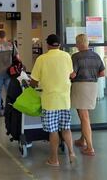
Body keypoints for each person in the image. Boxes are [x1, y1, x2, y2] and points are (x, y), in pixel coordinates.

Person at [30, 34, 76, 167]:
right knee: (66, 128)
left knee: (54, 131)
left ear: (47, 44)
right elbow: (70, 74)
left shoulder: (42, 59)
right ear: (59, 45)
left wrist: (31, 84)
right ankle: (71, 152)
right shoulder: (66, 56)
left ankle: (54, 160)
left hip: (50, 100)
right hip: (64, 99)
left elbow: (34, 80)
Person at [71, 34, 105, 156]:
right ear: (87, 43)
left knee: (84, 116)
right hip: (92, 86)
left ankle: (90, 147)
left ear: (78, 44)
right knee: (85, 115)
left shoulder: (75, 56)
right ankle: (82, 139)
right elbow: (102, 73)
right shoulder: (96, 56)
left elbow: (73, 74)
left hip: (80, 86)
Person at [0, 30, 19, 116]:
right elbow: (18, 57)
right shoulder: (11, 45)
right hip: (9, 72)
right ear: (5, 36)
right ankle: (9, 108)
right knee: (8, 91)